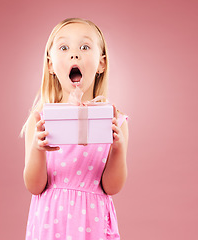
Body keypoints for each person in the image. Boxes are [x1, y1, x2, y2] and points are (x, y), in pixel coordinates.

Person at [20, 18, 129, 240]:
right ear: (50, 64)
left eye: (85, 47)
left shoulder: (114, 120)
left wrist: (117, 148)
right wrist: (38, 150)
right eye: (64, 47)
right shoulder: (40, 119)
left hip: (93, 223)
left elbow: (112, 187)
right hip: (50, 224)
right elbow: (34, 185)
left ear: (101, 64)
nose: (74, 54)